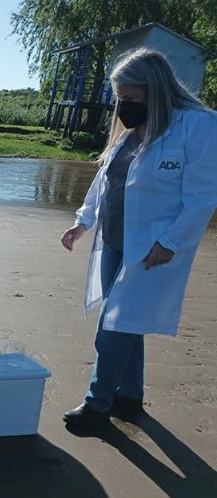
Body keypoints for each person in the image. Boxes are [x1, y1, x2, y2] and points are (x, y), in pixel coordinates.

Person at [60, 47, 217, 431]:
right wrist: (83, 222)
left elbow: (203, 196)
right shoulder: (131, 131)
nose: (123, 107)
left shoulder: (197, 126)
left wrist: (172, 242)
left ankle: (97, 406)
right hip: (115, 240)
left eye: (130, 99)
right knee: (128, 320)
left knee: (114, 326)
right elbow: (105, 180)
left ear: (156, 90)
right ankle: (128, 396)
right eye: (119, 99)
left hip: (151, 247)